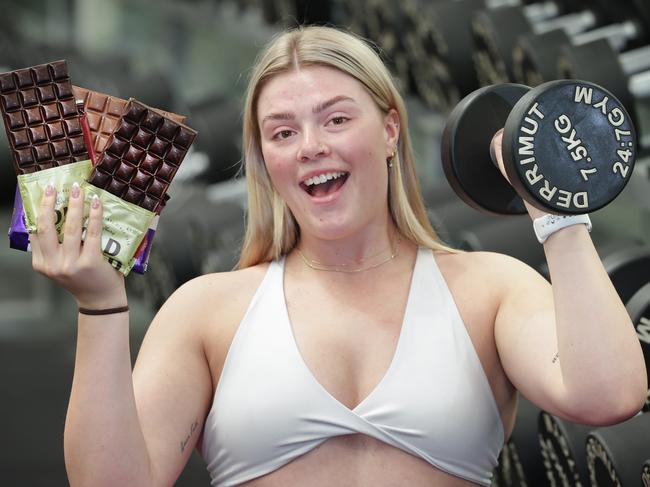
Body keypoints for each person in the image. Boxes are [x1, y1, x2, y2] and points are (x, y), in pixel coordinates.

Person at [31, 25, 646, 487]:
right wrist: (100, 305)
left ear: (389, 130)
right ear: (267, 161)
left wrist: (555, 203)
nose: (310, 147)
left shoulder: (488, 289)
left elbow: (608, 397)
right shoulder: (206, 310)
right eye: (282, 132)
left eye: (336, 119)